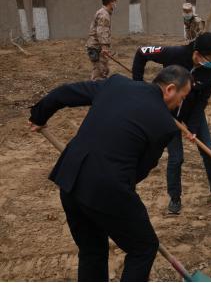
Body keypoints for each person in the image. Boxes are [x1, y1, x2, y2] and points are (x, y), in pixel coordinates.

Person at [28, 66, 193, 281]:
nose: (180, 104)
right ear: (170, 89)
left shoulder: (116, 84)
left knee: (92, 251)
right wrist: (116, 204)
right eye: (182, 97)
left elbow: (64, 93)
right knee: (143, 248)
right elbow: (139, 171)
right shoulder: (165, 125)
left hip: (69, 178)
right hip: (107, 189)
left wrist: (38, 115)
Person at [132, 32, 211, 214]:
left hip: (194, 110)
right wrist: (137, 85)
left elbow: (202, 101)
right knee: (176, 157)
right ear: (197, 54)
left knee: (208, 150)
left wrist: (193, 128)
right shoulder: (174, 54)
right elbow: (141, 52)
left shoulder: (210, 71)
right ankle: (175, 198)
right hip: (168, 112)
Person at [86, 0, 117, 81]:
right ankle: (96, 89)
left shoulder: (103, 12)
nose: (115, 4)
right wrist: (104, 47)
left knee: (103, 70)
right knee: (99, 72)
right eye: (114, 2)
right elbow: (102, 32)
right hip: (97, 48)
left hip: (96, 46)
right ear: (110, 2)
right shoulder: (104, 15)